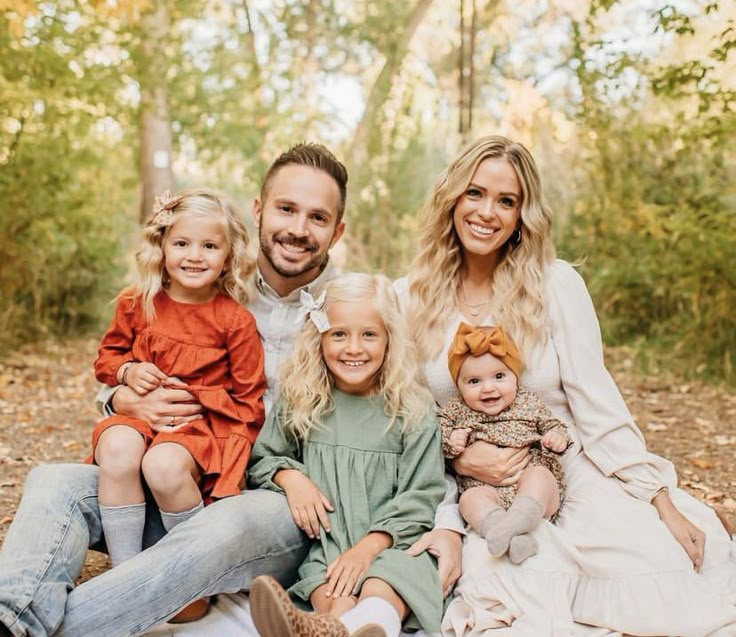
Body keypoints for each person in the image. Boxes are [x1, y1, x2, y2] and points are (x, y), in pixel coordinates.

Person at [0, 142, 348, 637]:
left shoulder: (353, 310)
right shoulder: (202, 278)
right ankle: (10, 615)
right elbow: (132, 359)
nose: (297, 228)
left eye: (317, 217)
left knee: (220, 525)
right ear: (258, 211)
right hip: (171, 470)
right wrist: (122, 396)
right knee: (53, 482)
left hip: (267, 498)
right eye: (286, 209)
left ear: (337, 230)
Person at [397, 134, 736, 636]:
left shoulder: (554, 285)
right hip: (472, 489)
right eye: (476, 193)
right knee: (513, 594)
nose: (487, 212)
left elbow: (597, 405)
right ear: (452, 198)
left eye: (506, 201)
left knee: (653, 571)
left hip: (567, 466)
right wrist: (458, 460)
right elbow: (411, 421)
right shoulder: (408, 297)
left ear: (521, 216)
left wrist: (658, 499)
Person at [248, 273, 445, 637]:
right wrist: (291, 478)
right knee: (332, 588)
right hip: (329, 544)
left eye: (369, 334)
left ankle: (356, 624)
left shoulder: (412, 409)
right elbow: (264, 459)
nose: (353, 348)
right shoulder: (303, 398)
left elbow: (421, 496)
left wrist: (369, 548)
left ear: (390, 339)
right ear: (319, 337)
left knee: (381, 587)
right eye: (339, 334)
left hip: (393, 544)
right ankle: (334, 626)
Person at [89, 188, 266, 576]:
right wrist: (128, 373)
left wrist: (203, 402)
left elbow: (249, 401)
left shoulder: (234, 320)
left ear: (228, 258)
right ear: (162, 247)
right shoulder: (138, 302)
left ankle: (188, 574)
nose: (194, 255)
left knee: (164, 467)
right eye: (182, 243)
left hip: (194, 430)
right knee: (117, 447)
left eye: (209, 246)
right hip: (139, 421)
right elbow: (107, 359)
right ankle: (125, 575)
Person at [440, 322, 570, 564]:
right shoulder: (455, 410)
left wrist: (556, 438)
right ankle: (511, 535)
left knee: (540, 476)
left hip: (530, 485)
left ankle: (514, 523)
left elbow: (552, 425)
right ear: (458, 386)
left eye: (499, 376)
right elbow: (439, 438)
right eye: (474, 381)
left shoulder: (528, 402)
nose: (488, 388)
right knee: (469, 500)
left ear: (515, 376)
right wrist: (452, 442)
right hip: (486, 490)